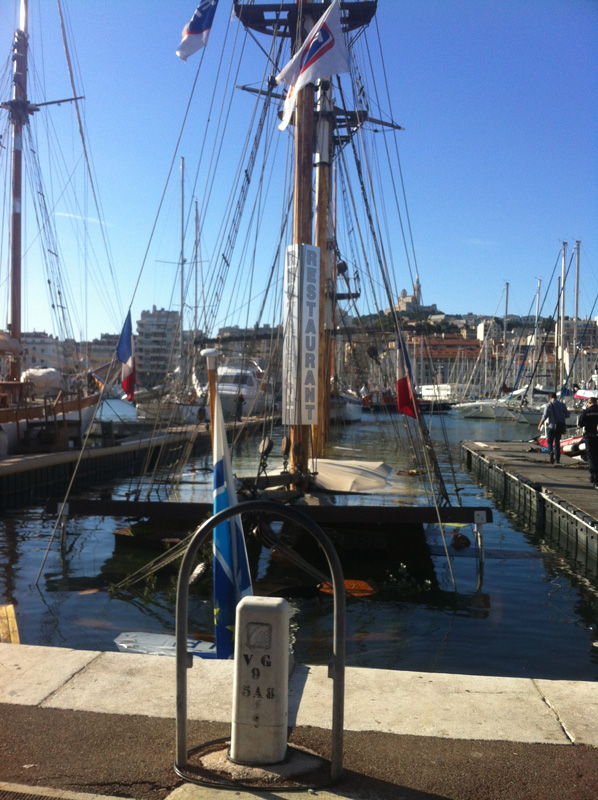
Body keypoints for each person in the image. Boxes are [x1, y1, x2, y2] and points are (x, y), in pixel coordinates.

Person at [537, 392, 570, 465]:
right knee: (557, 442)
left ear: (550, 398)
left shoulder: (548, 405)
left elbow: (544, 417)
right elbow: (568, 415)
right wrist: (561, 416)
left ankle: (551, 452)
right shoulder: (562, 405)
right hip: (559, 426)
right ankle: (557, 459)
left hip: (551, 426)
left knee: (549, 441)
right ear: (556, 397)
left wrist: (539, 425)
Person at [577, 396, 598, 487]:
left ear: (589, 403)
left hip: (589, 436)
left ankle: (593, 475)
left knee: (591, 456)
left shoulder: (586, 412)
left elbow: (580, 424)